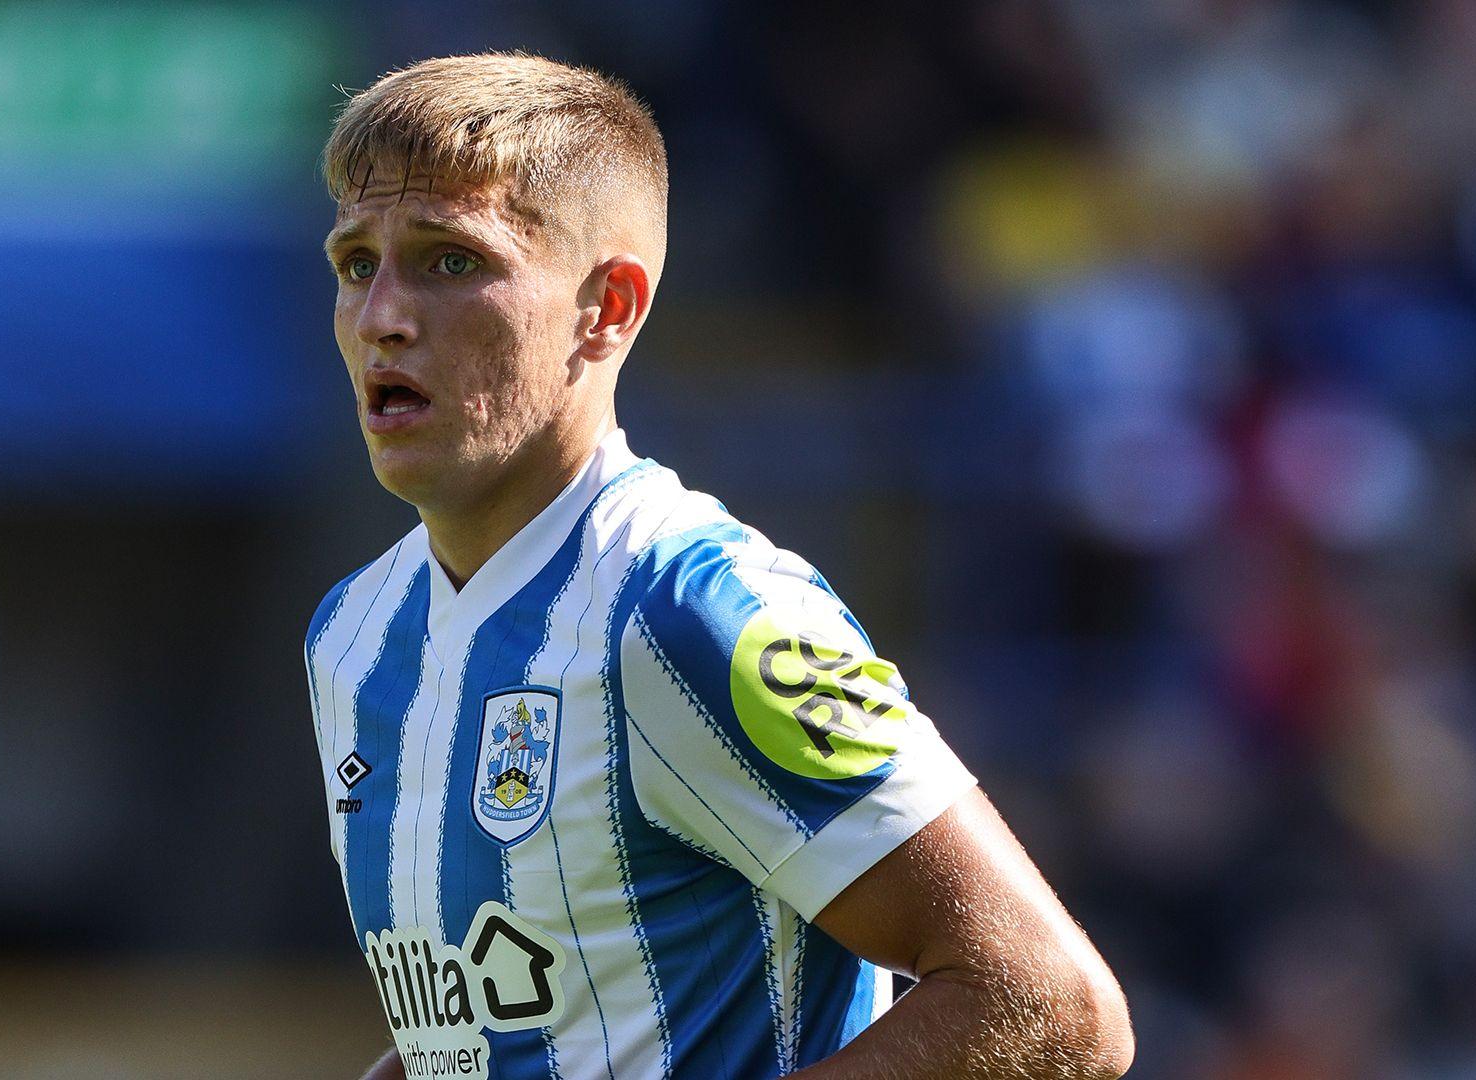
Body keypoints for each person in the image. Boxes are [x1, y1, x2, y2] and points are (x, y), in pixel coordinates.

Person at [304, 52, 1133, 1079]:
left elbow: (1049, 1004)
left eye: (451, 260)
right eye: (354, 263)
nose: (382, 313)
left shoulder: (692, 608)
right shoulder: (355, 633)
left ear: (605, 306)